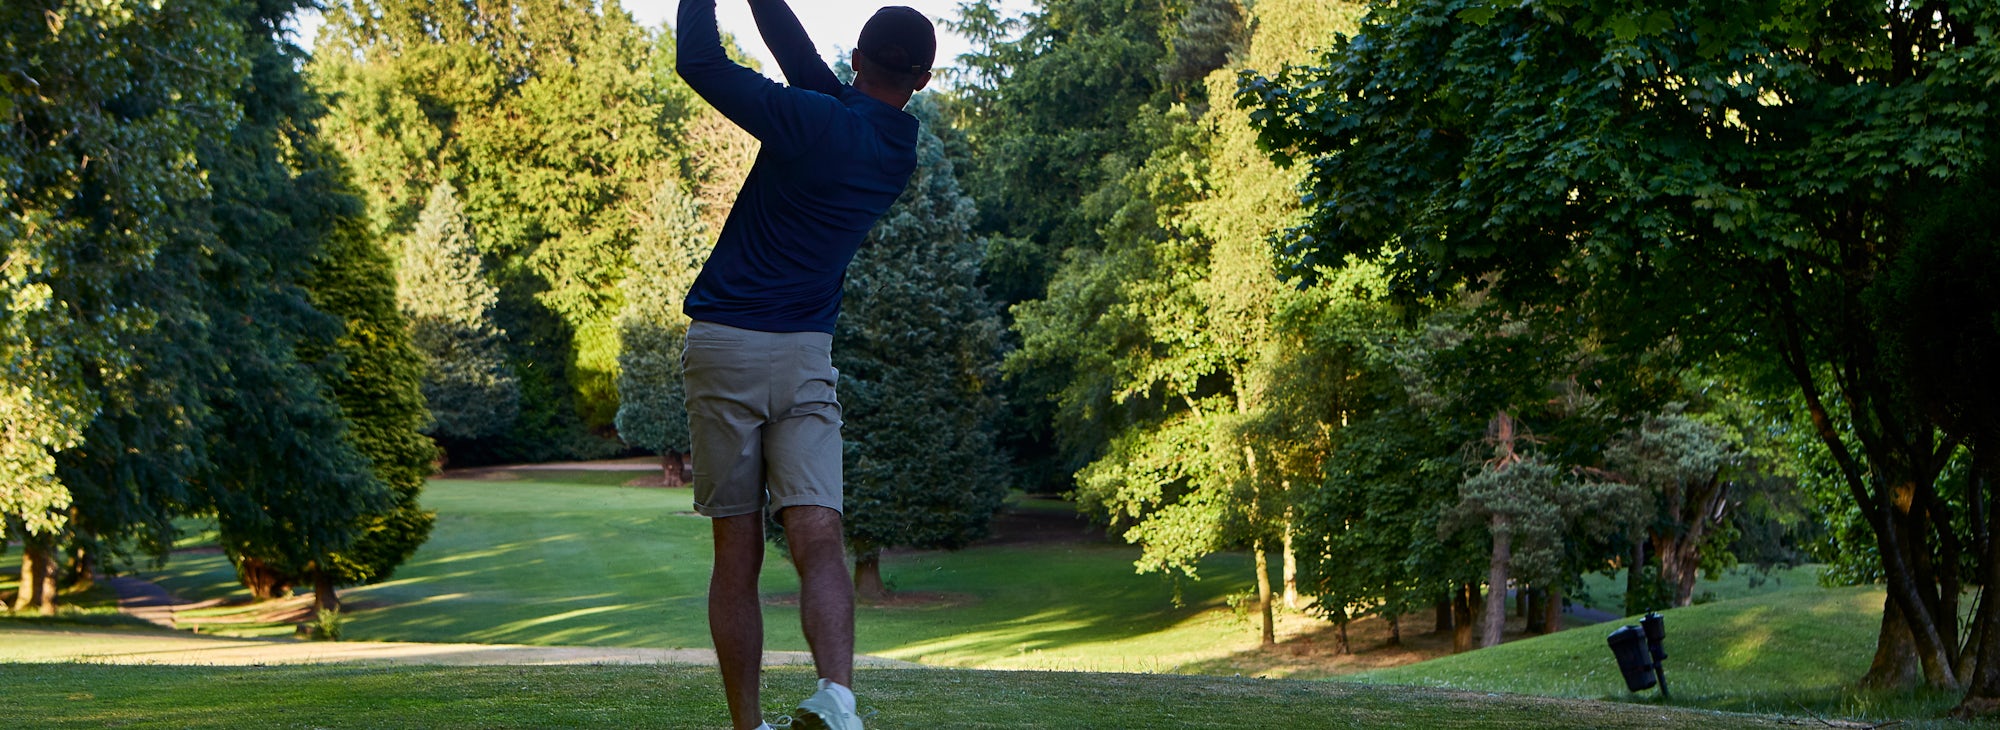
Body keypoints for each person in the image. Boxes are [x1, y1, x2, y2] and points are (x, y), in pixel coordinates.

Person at [674, 1, 935, 729]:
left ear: (857, 55)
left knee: (738, 547)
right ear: (923, 75)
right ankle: (839, 699)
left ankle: (749, 726)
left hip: (726, 346)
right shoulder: (893, 146)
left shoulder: (815, 120)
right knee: (819, 532)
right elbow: (806, 68)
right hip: (807, 360)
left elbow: (699, 64)